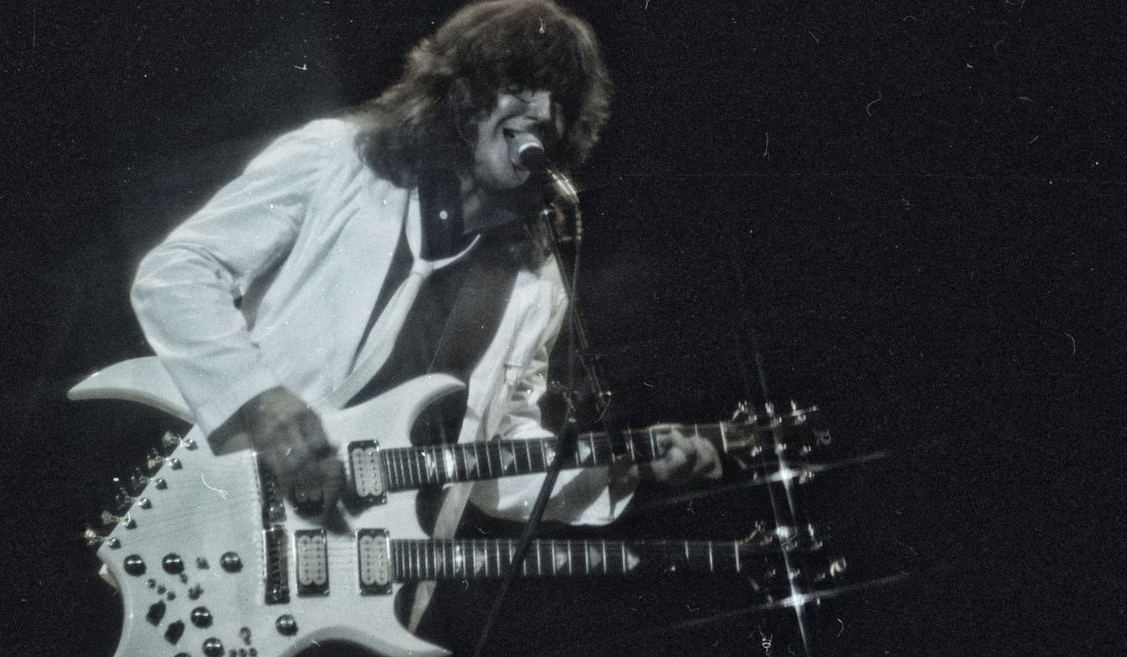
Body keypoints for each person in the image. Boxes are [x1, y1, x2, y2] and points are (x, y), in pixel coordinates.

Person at [130, 0, 722, 652]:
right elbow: (177, 273)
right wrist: (259, 400)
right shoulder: (335, 162)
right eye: (520, 85)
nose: (542, 113)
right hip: (225, 530)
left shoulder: (532, 279)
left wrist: (618, 467)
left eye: (559, 100)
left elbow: (494, 468)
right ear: (461, 95)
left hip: (366, 599)